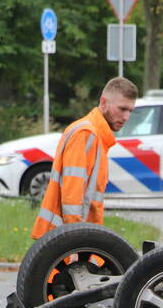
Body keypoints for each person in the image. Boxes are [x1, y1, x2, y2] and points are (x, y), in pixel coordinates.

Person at [29, 76, 138, 240]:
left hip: (69, 236)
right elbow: (72, 194)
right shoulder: (86, 134)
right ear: (103, 103)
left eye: (130, 111)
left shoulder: (95, 135)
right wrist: (76, 240)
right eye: (122, 109)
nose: (126, 117)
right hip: (65, 239)